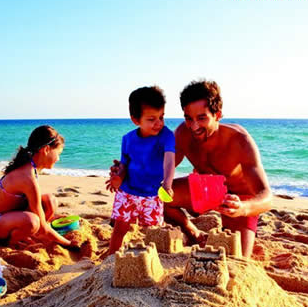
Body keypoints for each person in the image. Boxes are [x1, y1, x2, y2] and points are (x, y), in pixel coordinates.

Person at [122, 80, 271, 257]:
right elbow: (157, 170)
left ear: (218, 114)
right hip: (205, 189)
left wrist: (243, 207)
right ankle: (192, 232)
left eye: (201, 118)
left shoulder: (240, 141)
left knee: (236, 258)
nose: (194, 126)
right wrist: (125, 171)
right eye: (188, 118)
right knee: (156, 196)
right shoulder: (183, 134)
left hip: (237, 200)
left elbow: (267, 197)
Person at [105, 86, 176, 255]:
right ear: (136, 120)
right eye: (151, 119)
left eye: (162, 116)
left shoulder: (167, 135)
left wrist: (167, 183)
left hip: (152, 194)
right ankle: (111, 257)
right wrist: (118, 178)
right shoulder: (128, 139)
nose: (159, 123)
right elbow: (124, 164)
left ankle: (152, 259)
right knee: (120, 228)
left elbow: (169, 161)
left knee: (153, 231)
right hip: (127, 192)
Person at [0, 125, 75, 248]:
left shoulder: (32, 167)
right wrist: (68, 244)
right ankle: (9, 242)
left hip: (12, 216)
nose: (58, 159)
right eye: (58, 153)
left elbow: (32, 204)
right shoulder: (27, 177)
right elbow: (41, 225)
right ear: (46, 149)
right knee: (32, 222)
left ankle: (29, 234)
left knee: (50, 200)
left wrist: (52, 217)